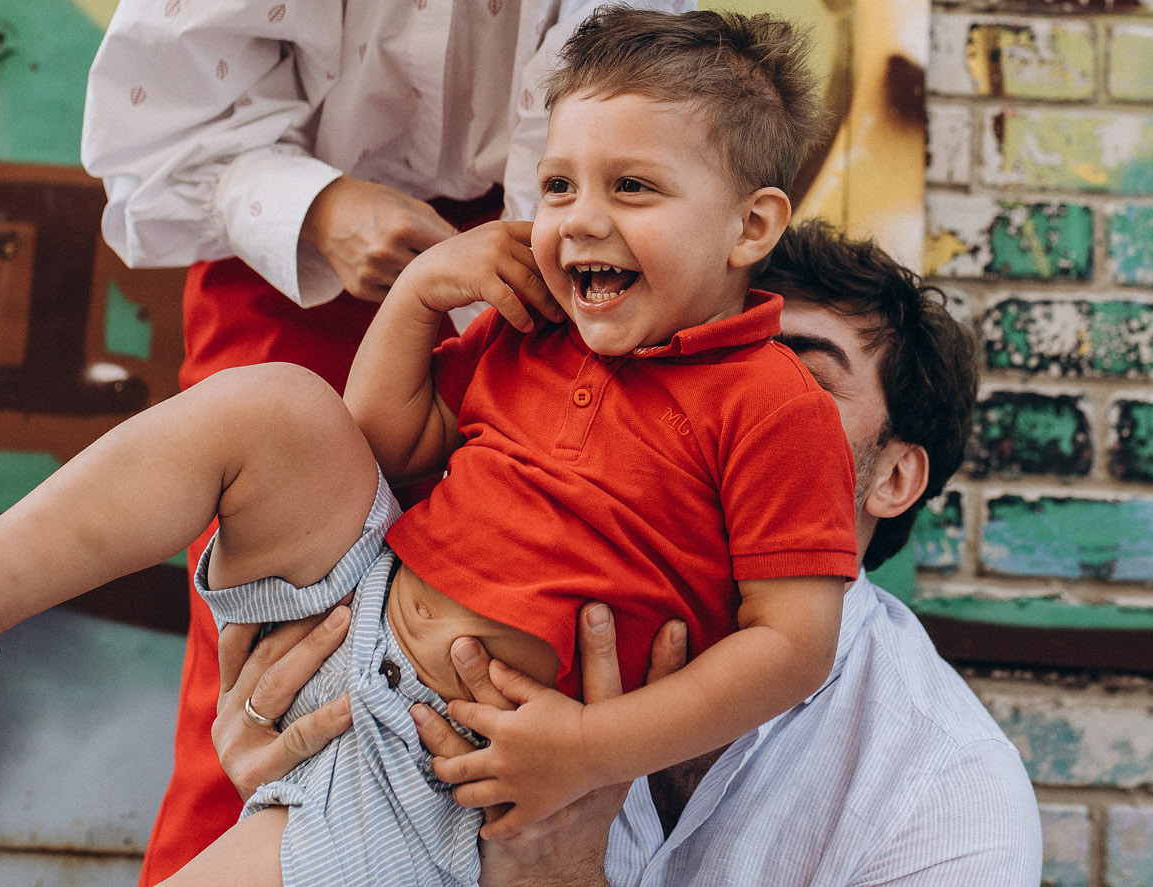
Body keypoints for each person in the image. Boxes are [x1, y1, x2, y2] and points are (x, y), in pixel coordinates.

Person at [0, 9, 862, 886]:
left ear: (751, 228)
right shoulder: (534, 339)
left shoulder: (771, 406)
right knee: (279, 405)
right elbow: (382, 450)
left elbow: (792, 645)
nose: (578, 217)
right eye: (558, 185)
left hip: (446, 773)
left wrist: (592, 751)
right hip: (356, 618)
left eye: (633, 187)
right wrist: (418, 302)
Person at [77, 0, 735, 876]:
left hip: (545, 297)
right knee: (269, 673)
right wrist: (320, 208)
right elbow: (145, 161)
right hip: (289, 300)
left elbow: (592, 154)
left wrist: (474, 291)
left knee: (489, 672)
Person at [215, 221, 1047, 886]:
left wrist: (561, 877)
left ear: (895, 476)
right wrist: (291, 759)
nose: (728, 412)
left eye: (797, 381)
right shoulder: (453, 554)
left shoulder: (943, 791)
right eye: (690, 372)